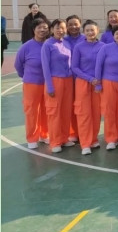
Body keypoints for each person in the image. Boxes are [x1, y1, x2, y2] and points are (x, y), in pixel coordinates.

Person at [40, 19, 75, 153]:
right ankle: (55, 141)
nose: (60, 30)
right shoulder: (48, 45)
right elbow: (45, 67)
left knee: (66, 111)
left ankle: (64, 138)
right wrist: (50, 86)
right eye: (57, 28)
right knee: (54, 112)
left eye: (62, 28)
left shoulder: (67, 43)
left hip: (68, 80)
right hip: (55, 81)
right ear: (51, 29)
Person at [15, 18, 50, 148]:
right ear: (34, 30)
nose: (42, 30)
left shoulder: (50, 44)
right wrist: (26, 76)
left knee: (46, 110)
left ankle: (44, 134)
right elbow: (18, 65)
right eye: (39, 27)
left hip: (48, 84)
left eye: (45, 27)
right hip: (32, 84)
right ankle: (32, 138)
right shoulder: (26, 47)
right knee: (32, 111)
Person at [95, 25, 118, 149]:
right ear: (113, 36)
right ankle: (111, 138)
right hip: (107, 83)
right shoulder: (105, 48)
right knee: (109, 111)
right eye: (117, 34)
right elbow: (98, 66)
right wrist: (98, 84)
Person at [71, 20, 104, 155]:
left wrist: (98, 81)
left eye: (92, 30)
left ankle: (94, 139)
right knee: (84, 113)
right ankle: (85, 143)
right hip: (83, 83)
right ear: (83, 32)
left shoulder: (103, 46)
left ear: (97, 31)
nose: (90, 32)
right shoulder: (78, 47)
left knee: (96, 113)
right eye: (87, 30)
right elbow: (74, 67)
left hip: (98, 83)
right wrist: (90, 79)